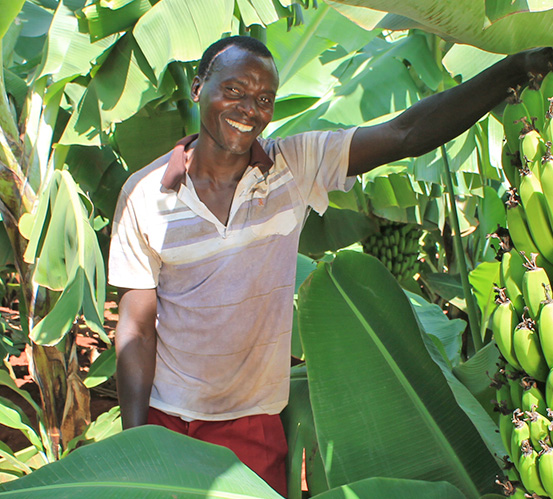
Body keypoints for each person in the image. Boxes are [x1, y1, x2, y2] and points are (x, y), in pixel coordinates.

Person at [108, 35, 553, 496]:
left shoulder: (293, 166)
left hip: (253, 422)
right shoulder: (144, 197)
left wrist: (516, 69)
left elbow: (406, 134)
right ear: (199, 87)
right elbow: (137, 329)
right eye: (234, 91)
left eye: (263, 99)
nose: (248, 109)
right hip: (168, 415)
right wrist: (137, 440)